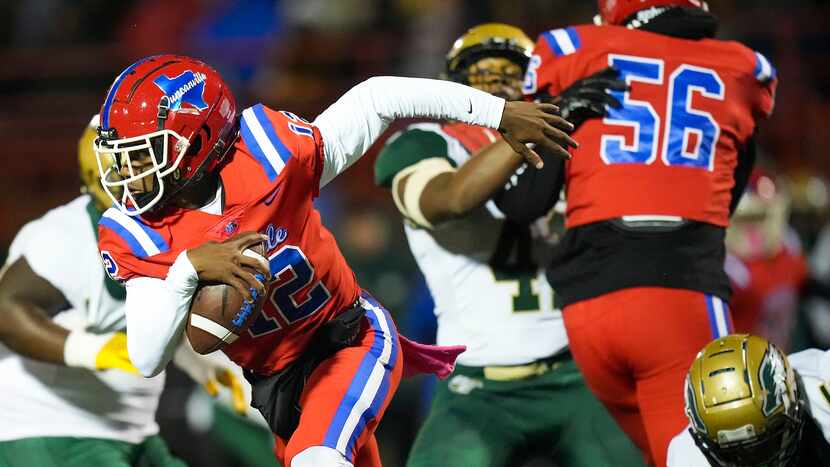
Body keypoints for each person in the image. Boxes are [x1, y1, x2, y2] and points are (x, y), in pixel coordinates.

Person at [92, 54, 577, 467]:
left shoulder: (270, 153)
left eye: (143, 155)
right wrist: (188, 271)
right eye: (123, 158)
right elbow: (148, 356)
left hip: (348, 339)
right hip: (276, 385)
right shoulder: (135, 232)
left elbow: (379, 96)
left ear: (200, 142)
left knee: (318, 459)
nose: (128, 174)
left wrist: (496, 113)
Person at [496, 1, 778, 465]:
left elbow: (522, 202)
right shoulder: (743, 67)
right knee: (726, 454)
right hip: (678, 297)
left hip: (587, 311)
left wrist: (563, 112)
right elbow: (728, 195)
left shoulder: (571, 49)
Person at [374, 23, 642, 467]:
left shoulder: (570, 142)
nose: (498, 84)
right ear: (453, 89)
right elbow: (450, 200)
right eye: (481, 75)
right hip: (478, 388)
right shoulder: (425, 142)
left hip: (574, 373)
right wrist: (535, 125)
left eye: (511, 74)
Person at [0, 116, 246, 467]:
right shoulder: (60, 237)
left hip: (128, 429)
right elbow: (5, 311)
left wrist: (197, 362)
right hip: (48, 426)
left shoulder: (174, 228)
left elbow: (152, 314)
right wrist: (94, 349)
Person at [667, 334, 830, 466]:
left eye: (765, 447)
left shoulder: (820, 383)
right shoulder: (688, 457)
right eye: (731, 453)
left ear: (792, 399)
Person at [725, 170, 807, 352]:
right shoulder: (732, 271)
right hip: (742, 367)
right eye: (743, 220)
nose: (752, 231)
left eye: (759, 218)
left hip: (783, 359)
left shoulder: (789, 256)